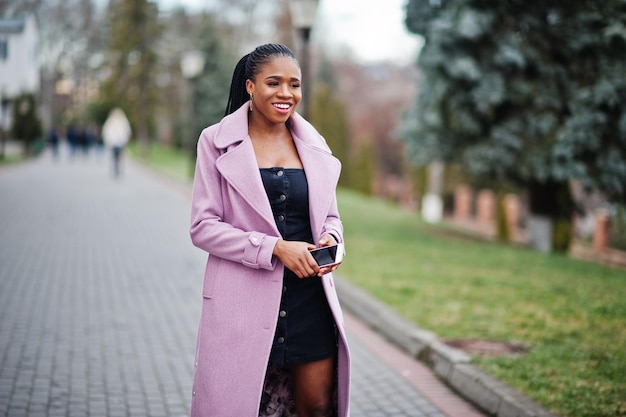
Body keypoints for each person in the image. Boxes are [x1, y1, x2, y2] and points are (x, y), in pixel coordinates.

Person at [189, 43, 351, 417]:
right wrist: (276, 249)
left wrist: (332, 241)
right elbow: (202, 227)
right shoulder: (214, 142)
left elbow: (332, 218)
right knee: (240, 406)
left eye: (294, 85)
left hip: (309, 300)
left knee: (317, 406)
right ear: (249, 86)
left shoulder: (315, 145)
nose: (285, 93)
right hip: (241, 302)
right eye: (273, 82)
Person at [101, 108, 131, 178]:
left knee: (119, 156)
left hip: (120, 142)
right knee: (114, 157)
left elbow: (127, 131)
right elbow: (106, 132)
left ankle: (118, 168)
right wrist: (108, 141)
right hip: (113, 142)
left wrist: (125, 139)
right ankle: (115, 169)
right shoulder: (110, 121)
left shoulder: (123, 121)